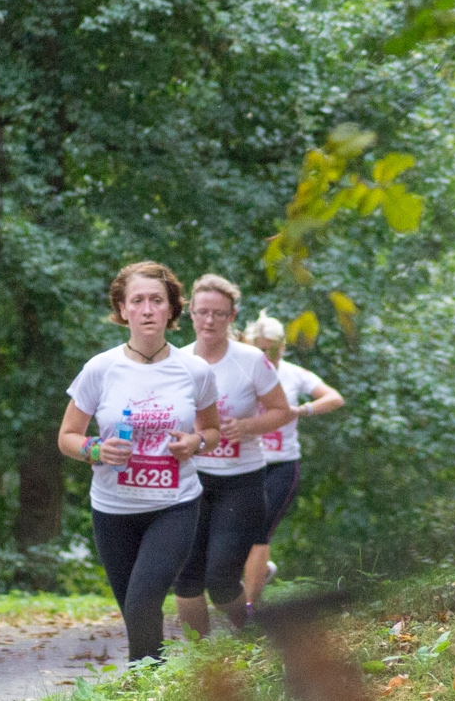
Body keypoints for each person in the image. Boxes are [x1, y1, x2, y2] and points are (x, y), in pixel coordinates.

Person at [58, 262, 222, 663]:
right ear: (122, 309)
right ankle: (153, 689)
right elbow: (67, 437)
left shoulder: (194, 370)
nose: (148, 309)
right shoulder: (101, 368)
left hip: (175, 505)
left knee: (142, 603)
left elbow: (213, 430)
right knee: (134, 611)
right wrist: (97, 450)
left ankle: (142, 691)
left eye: (157, 301)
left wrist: (195, 442)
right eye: (138, 301)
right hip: (113, 510)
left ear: (171, 310)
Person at [176, 276, 293, 636]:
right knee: (186, 577)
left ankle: (250, 637)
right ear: (189, 313)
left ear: (232, 316)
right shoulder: (176, 361)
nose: (209, 321)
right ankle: (200, 662)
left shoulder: (251, 360)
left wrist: (245, 427)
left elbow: (281, 411)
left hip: (240, 481)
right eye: (202, 312)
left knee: (221, 578)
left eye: (218, 313)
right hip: (190, 480)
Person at [240, 311, 345, 609]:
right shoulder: (241, 371)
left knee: (260, 528)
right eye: (258, 348)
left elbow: (334, 398)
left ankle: (249, 607)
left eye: (271, 348)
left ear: (283, 347)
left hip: (281, 464)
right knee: (236, 530)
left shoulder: (294, 374)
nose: (265, 355)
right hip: (244, 464)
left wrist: (302, 410)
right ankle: (261, 571)